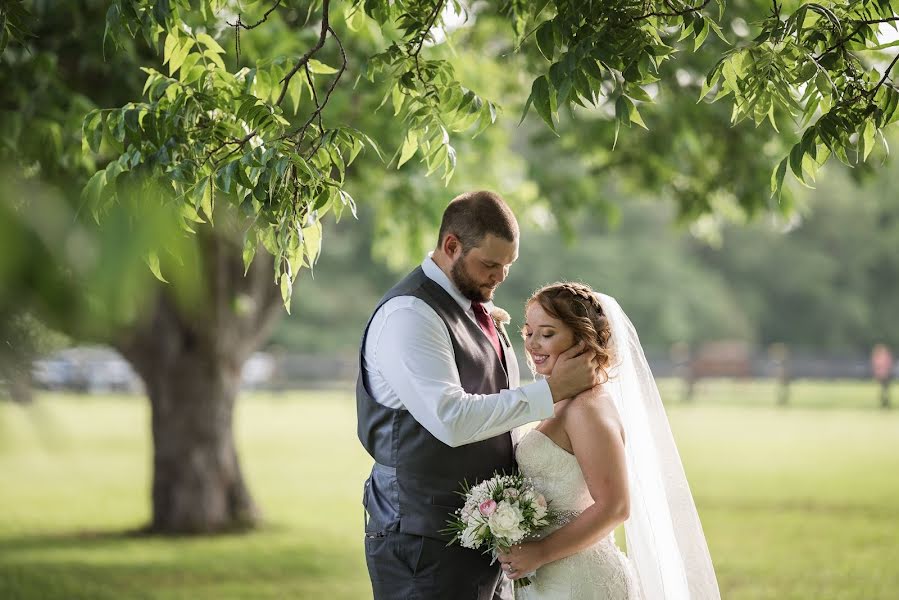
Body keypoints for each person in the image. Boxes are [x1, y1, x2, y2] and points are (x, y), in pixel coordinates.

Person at [356, 192, 603, 600]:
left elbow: (497, 411)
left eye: (507, 267)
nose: (499, 277)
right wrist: (552, 391)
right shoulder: (410, 315)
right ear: (451, 246)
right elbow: (451, 419)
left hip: (482, 536)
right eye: (490, 264)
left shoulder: (475, 308)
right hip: (422, 540)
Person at [498, 282, 720, 600]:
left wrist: (541, 551)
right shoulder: (560, 400)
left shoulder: (586, 409)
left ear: (582, 338)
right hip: (548, 578)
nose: (533, 344)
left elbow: (615, 507)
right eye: (529, 332)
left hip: (579, 581)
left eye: (547, 334)